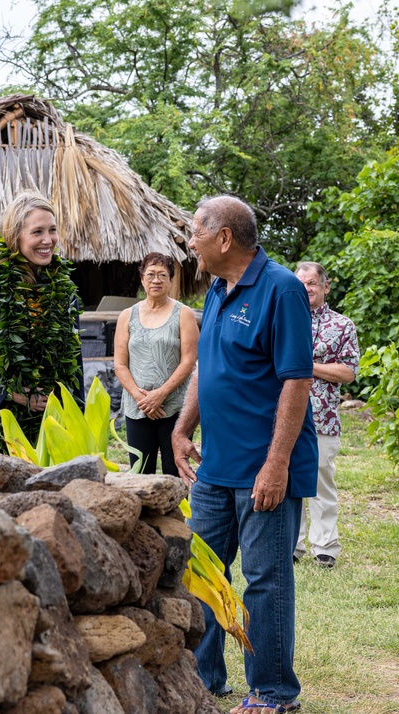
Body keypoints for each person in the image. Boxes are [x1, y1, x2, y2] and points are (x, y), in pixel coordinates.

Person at [172, 196, 316, 714]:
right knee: (202, 572)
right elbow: (208, 367)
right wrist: (183, 427)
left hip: (264, 468)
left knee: (265, 580)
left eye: (195, 232)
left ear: (224, 237)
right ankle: (203, 679)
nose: (190, 242)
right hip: (215, 468)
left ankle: (273, 694)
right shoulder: (215, 289)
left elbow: (296, 380)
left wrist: (276, 464)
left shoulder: (282, 289)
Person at [0, 191, 83, 450]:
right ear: (15, 236)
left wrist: (76, 416)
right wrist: (12, 393)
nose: (48, 240)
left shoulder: (64, 290)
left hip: (45, 423)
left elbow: (73, 361)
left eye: (52, 230)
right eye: (37, 232)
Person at [293, 261, 358, 569]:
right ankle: (292, 545)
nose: (306, 289)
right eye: (301, 283)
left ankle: (325, 548)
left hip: (323, 417)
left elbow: (347, 372)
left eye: (312, 284)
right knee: (288, 480)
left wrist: (306, 366)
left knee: (321, 483)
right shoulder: (283, 319)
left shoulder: (342, 325)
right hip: (281, 415)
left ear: (325, 287)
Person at [114, 253, 199, 475]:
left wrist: (160, 394)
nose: (156, 280)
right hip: (138, 407)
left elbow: (189, 360)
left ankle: (179, 511)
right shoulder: (127, 315)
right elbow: (120, 364)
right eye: (150, 274)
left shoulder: (184, 314)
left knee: (175, 470)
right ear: (142, 278)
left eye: (163, 275)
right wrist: (141, 397)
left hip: (174, 406)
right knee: (140, 472)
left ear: (170, 280)